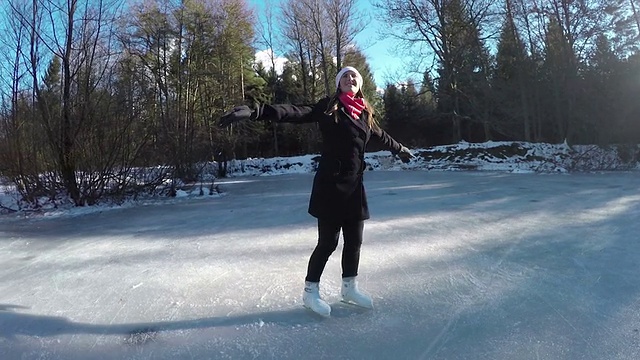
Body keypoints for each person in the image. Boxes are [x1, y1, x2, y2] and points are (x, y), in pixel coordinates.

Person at [219, 66, 414, 317]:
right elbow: (295, 111)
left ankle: (349, 288)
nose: (350, 78)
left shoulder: (363, 113)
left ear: (359, 83)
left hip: (355, 186)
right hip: (330, 185)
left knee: (355, 241)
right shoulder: (328, 107)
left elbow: (381, 135)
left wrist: (399, 148)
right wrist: (257, 112)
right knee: (328, 243)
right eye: (345, 75)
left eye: (353, 75)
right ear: (338, 83)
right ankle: (310, 292)